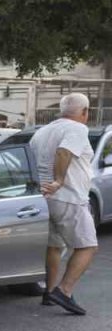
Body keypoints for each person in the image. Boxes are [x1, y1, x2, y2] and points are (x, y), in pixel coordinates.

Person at [30, 93, 97, 315]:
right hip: (69, 197)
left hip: (45, 199)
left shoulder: (42, 131)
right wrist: (58, 180)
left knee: (55, 245)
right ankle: (64, 291)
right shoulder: (77, 128)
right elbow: (64, 151)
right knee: (87, 246)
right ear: (85, 112)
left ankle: (49, 292)